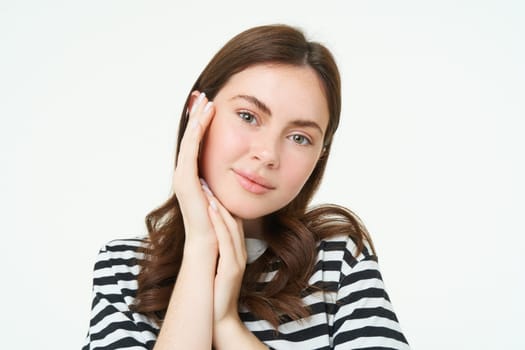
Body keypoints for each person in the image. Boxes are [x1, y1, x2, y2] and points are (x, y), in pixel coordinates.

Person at [82, 24, 410, 350]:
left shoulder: (338, 263)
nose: (268, 154)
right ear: (198, 112)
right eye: (248, 116)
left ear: (320, 153)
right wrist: (200, 249)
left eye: (299, 138)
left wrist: (227, 325)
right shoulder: (123, 268)